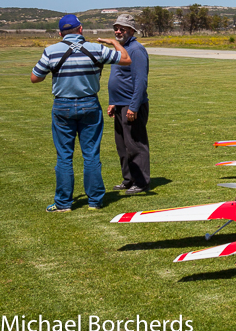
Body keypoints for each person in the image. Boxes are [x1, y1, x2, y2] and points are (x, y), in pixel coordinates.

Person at [31, 14, 130, 212]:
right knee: (91, 154)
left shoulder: (51, 51)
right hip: (89, 104)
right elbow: (126, 59)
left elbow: (35, 78)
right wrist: (113, 42)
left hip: (62, 106)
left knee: (64, 156)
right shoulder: (96, 49)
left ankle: (63, 203)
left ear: (60, 33)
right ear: (81, 29)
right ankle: (95, 200)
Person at [106, 13, 150, 195]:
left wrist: (133, 106)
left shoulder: (136, 50)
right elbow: (119, 78)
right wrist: (113, 102)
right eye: (116, 28)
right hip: (119, 104)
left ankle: (141, 182)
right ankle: (128, 179)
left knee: (135, 145)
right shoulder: (120, 49)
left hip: (132, 105)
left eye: (122, 29)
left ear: (131, 30)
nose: (118, 31)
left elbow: (140, 81)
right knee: (122, 145)